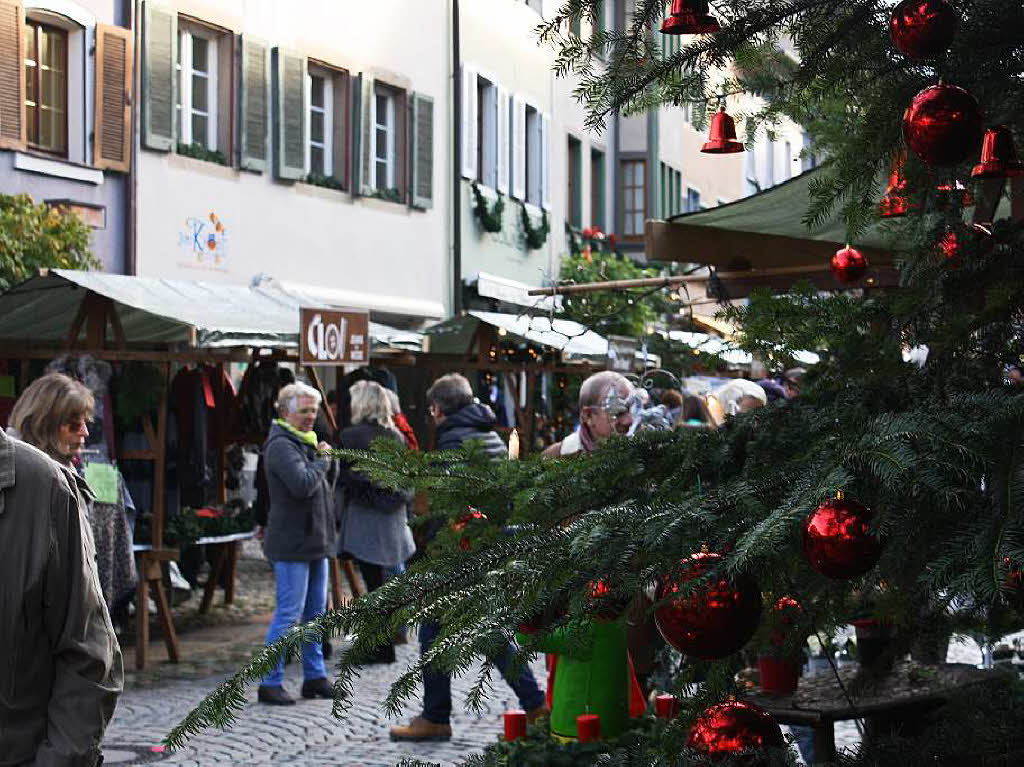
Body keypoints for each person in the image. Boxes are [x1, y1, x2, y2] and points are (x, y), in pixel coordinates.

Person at [390, 373, 547, 741]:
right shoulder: (487, 434)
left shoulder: (454, 441)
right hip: (484, 548)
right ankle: (532, 704)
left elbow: (450, 508)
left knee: (449, 629)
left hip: (461, 555)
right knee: (480, 630)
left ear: (437, 409)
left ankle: (438, 716)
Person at [2, 373, 123, 764]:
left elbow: (89, 651)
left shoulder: (44, 486)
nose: (86, 433)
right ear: (44, 421)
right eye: (75, 423)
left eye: (87, 422)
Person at [257, 382, 336, 705]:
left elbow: (324, 488)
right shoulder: (280, 446)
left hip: (316, 540)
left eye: (313, 412)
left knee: (315, 615)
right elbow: (303, 484)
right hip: (292, 542)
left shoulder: (307, 442)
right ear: (286, 412)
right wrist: (324, 461)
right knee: (289, 614)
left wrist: (327, 462)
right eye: (304, 411)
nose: (310, 417)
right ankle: (269, 681)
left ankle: (314, 677)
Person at [336, 381, 415, 663]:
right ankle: (385, 642)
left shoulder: (351, 436)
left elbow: (345, 479)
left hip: (367, 519)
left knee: (374, 585)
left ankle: (381, 647)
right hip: (392, 518)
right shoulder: (396, 436)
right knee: (383, 584)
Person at [542, 370, 636, 458]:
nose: (629, 420)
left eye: (633, 409)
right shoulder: (554, 458)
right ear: (588, 415)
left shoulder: (643, 455)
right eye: (619, 412)